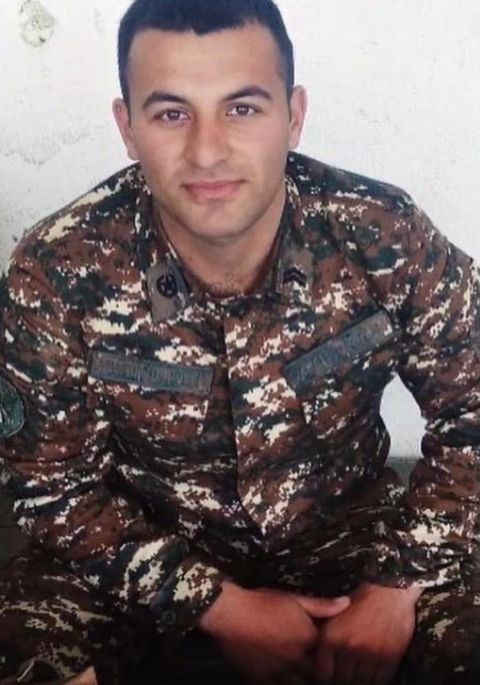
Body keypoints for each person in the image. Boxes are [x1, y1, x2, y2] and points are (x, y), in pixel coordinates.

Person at [0, 0, 479, 683]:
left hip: (352, 540)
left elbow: (472, 407)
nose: (207, 151)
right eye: (171, 114)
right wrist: (213, 604)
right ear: (127, 127)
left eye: (243, 108)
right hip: (142, 547)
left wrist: (399, 582)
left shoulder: (381, 232)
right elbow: (48, 482)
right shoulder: (56, 268)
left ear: (294, 115)